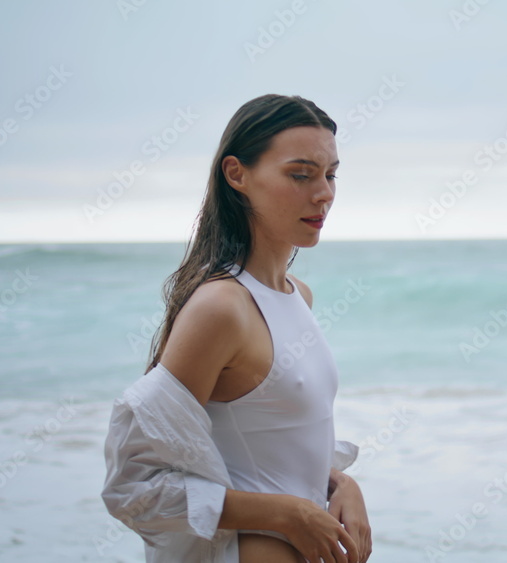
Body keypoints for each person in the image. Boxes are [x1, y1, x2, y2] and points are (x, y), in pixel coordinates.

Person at [102, 94, 372, 563]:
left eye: (330, 175)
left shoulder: (297, 295)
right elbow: (133, 487)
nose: (324, 192)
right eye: (300, 174)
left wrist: (341, 482)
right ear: (237, 174)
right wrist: (284, 515)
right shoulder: (221, 307)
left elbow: (273, 445)